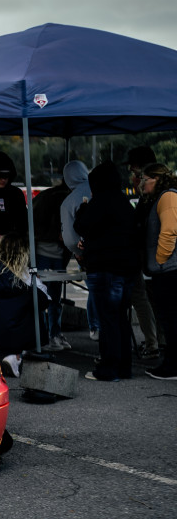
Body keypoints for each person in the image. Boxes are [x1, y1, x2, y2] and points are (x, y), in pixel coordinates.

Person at [74, 161, 138, 382]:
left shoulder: (100, 202)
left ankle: (108, 368)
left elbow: (81, 224)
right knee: (121, 318)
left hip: (105, 269)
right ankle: (124, 367)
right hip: (127, 269)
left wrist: (83, 207)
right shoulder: (124, 203)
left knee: (107, 319)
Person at [0, 232, 50, 378]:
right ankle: (16, 355)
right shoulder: (24, 275)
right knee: (35, 310)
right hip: (14, 333)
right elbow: (45, 300)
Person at [141, 163, 177, 381]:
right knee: (170, 319)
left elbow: (170, 230)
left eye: (145, 178)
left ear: (157, 178)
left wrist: (160, 259)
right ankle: (171, 363)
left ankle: (172, 366)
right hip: (166, 269)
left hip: (169, 270)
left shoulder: (168, 197)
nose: (142, 182)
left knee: (171, 319)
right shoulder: (163, 197)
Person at [126, 146, 161, 360]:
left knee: (142, 297)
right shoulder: (162, 189)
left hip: (152, 254)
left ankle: (153, 343)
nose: (131, 173)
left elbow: (140, 221)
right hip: (155, 255)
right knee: (152, 298)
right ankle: (159, 342)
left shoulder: (153, 193)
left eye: (134, 170)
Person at [60, 160, 100, 341]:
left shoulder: (69, 202)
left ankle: (95, 327)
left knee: (94, 288)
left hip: (89, 254)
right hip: (115, 252)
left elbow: (69, 236)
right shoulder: (102, 188)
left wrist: (78, 252)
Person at [32, 179, 71, 351]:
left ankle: (47, 335)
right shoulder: (63, 198)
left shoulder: (47, 196)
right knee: (52, 298)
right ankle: (51, 334)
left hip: (45, 252)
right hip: (51, 253)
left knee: (43, 297)